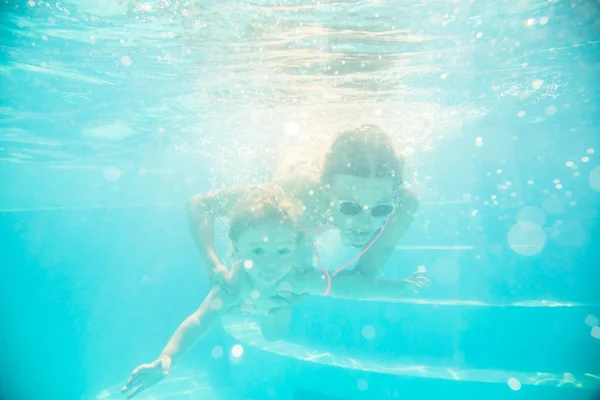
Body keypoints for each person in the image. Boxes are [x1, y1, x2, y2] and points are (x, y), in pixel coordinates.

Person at [122, 186, 428, 399]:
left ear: (295, 247)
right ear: (237, 250)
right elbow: (199, 321)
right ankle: (257, 306)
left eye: (282, 250)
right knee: (233, 308)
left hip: (274, 303)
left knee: (273, 332)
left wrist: (396, 287)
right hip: (248, 297)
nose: (271, 263)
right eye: (258, 250)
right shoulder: (234, 284)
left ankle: (267, 309)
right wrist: (166, 358)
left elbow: (348, 288)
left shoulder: (297, 277)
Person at [187, 124, 419, 290]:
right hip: (294, 161)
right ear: (328, 190)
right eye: (350, 208)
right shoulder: (296, 195)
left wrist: (311, 281)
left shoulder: (404, 204)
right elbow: (201, 204)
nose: (364, 224)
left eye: (381, 209)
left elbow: (364, 275)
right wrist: (212, 263)